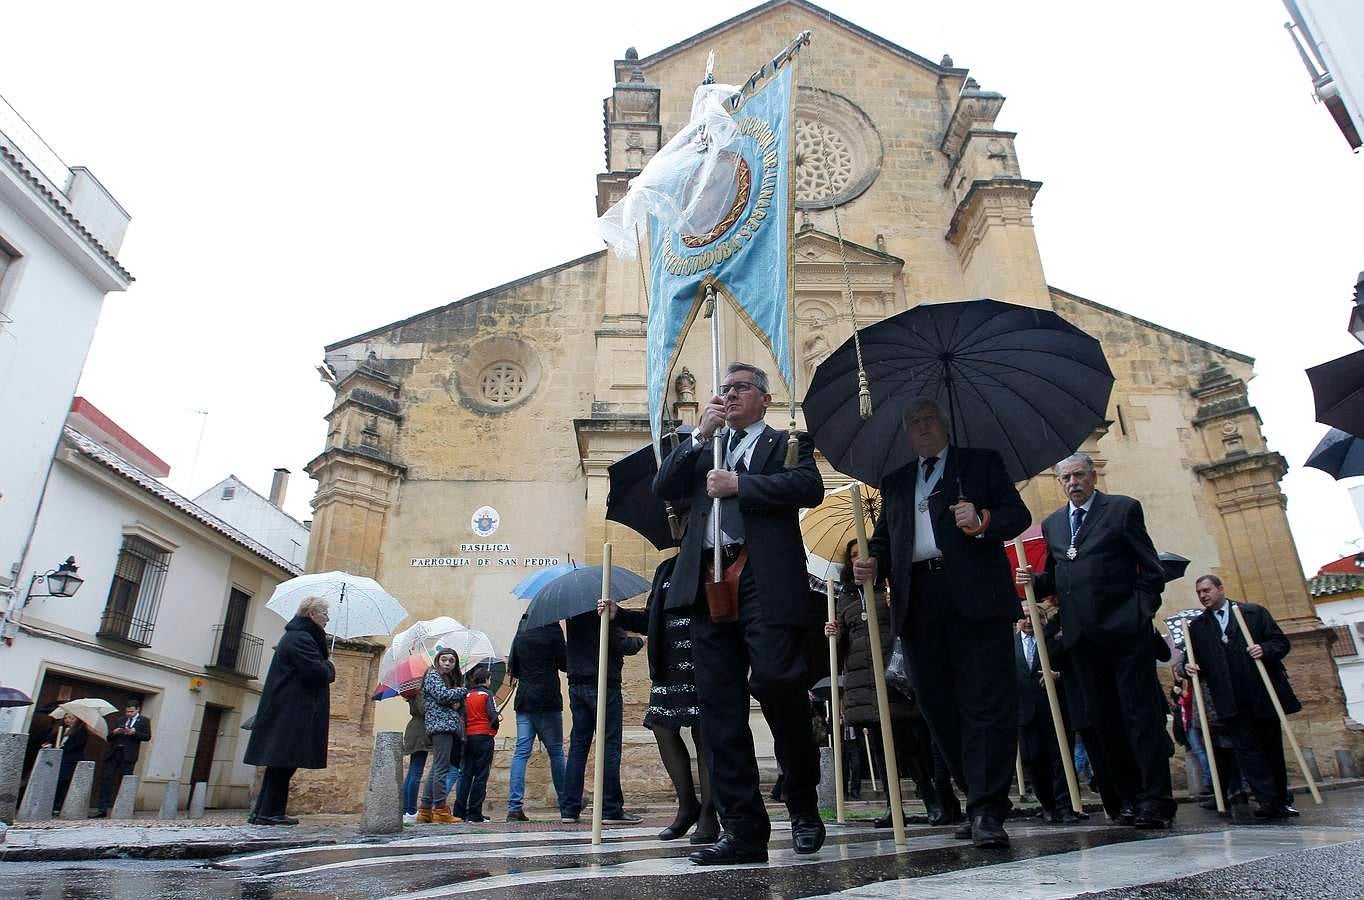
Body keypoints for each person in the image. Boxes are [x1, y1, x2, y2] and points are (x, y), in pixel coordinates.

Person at [654, 361, 826, 865]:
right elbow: (664, 486)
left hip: (763, 580)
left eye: (740, 388)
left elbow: (808, 488)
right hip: (709, 580)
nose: (729, 396)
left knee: (777, 683)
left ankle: (802, 801)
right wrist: (697, 436)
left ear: (764, 398)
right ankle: (744, 826)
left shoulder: (786, 443)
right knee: (718, 707)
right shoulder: (706, 447)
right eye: (723, 389)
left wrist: (741, 487)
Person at [855, 397, 1030, 848]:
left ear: (944, 424)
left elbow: (1017, 515)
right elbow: (885, 540)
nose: (922, 426)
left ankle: (989, 807)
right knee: (938, 707)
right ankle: (974, 794)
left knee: (986, 702)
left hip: (975, 597)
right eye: (914, 421)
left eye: (929, 418)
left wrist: (983, 519)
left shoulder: (980, 464)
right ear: (908, 434)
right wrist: (869, 562)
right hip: (920, 602)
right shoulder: (895, 482)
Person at [1016, 452, 1174, 829]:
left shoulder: (1121, 510)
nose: (1073, 483)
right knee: (1104, 723)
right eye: (1065, 478)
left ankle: (1156, 798)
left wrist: (1139, 614)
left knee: (1139, 716)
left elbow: (1152, 571)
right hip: (1081, 640)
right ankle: (1129, 799)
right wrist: (1033, 582)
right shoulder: (1054, 525)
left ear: (1092, 475)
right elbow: (1056, 577)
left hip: (1124, 634)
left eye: (1078, 475)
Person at [824, 540, 947, 827]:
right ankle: (894, 807)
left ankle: (929, 797)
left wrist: (899, 608)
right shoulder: (846, 596)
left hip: (892, 675)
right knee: (879, 745)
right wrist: (835, 634)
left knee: (906, 741)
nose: (857, 560)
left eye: (862, 555)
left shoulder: (890, 587)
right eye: (853, 556)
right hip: (863, 679)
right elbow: (842, 645)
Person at [605, 554, 719, 844]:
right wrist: (619, 613)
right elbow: (652, 619)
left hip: (704, 662)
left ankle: (709, 813)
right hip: (668, 666)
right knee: (662, 727)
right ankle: (687, 804)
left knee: (705, 734)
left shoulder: (714, 560)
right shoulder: (666, 569)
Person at [1176, 574, 1299, 819]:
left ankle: (1281, 799)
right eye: (1199, 592)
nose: (1203, 595)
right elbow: (1187, 661)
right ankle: (1266, 800)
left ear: (1221, 589)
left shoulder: (1253, 613)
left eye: (1207, 590)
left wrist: (1264, 649)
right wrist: (1187, 667)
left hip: (1261, 695)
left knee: (1271, 748)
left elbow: (1280, 643)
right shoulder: (1198, 628)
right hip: (1229, 700)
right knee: (1248, 752)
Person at [243, 596, 334, 826]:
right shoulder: (300, 639)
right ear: (312, 614)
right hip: (291, 711)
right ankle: (268, 813)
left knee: (281, 764)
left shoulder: (299, 637)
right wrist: (329, 665)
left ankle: (264, 812)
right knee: (282, 763)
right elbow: (317, 672)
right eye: (324, 614)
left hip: (290, 710)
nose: (327, 619)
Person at [560, 604, 644, 825]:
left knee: (578, 746)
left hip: (577, 682)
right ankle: (611, 808)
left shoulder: (573, 613)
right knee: (609, 746)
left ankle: (569, 808)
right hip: (604, 683)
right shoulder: (603, 612)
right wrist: (641, 640)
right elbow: (623, 644)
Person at [1015, 605, 1078, 823]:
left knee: (1061, 758)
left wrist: (1058, 675)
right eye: (1024, 617)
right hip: (1026, 713)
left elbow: (1074, 669)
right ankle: (1048, 804)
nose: (1029, 621)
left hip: (1056, 710)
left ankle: (1064, 805)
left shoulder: (1056, 642)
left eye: (1035, 616)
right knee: (1034, 760)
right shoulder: (1009, 646)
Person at [505, 614, 568, 822]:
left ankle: (514, 807)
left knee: (521, 752)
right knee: (556, 752)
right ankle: (566, 802)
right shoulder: (552, 629)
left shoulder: (521, 631)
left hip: (524, 698)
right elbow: (565, 663)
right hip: (548, 697)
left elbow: (512, 667)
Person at [417, 648, 467, 824]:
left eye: (451, 661)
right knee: (441, 769)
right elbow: (442, 696)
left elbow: (446, 699)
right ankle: (440, 810)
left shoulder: (445, 679)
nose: (447, 663)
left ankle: (425, 810)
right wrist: (462, 691)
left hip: (444, 726)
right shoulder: (432, 675)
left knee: (436, 768)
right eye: (444, 660)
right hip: (441, 727)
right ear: (437, 660)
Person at [452, 665, 499, 823]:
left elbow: (461, 715)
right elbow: (492, 715)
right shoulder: (487, 694)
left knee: (465, 774)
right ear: (486, 679)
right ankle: (475, 813)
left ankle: (459, 812)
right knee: (480, 776)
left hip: (467, 737)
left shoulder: (466, 694)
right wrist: (493, 729)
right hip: (483, 736)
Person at [90, 699, 151, 818]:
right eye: (127, 711)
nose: (129, 714)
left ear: (137, 710)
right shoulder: (120, 720)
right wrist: (115, 732)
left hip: (128, 755)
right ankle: (102, 809)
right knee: (107, 780)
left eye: (131, 712)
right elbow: (109, 737)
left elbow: (147, 737)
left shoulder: (144, 721)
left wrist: (134, 733)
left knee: (125, 781)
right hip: (114, 753)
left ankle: (125, 807)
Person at [48, 714, 88, 814]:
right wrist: (50, 744)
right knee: (56, 781)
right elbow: (54, 741)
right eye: (66, 718)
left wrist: (61, 749)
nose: (68, 720)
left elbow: (78, 745)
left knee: (63, 781)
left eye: (71, 718)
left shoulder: (81, 731)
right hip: (59, 758)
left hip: (70, 759)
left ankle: (58, 805)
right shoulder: (61, 730)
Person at [402, 693, 431, 825]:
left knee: (412, 772)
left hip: (415, 729)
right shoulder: (420, 692)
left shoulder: (412, 691)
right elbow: (423, 709)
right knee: (416, 773)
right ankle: (411, 810)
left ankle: (405, 809)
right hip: (420, 732)